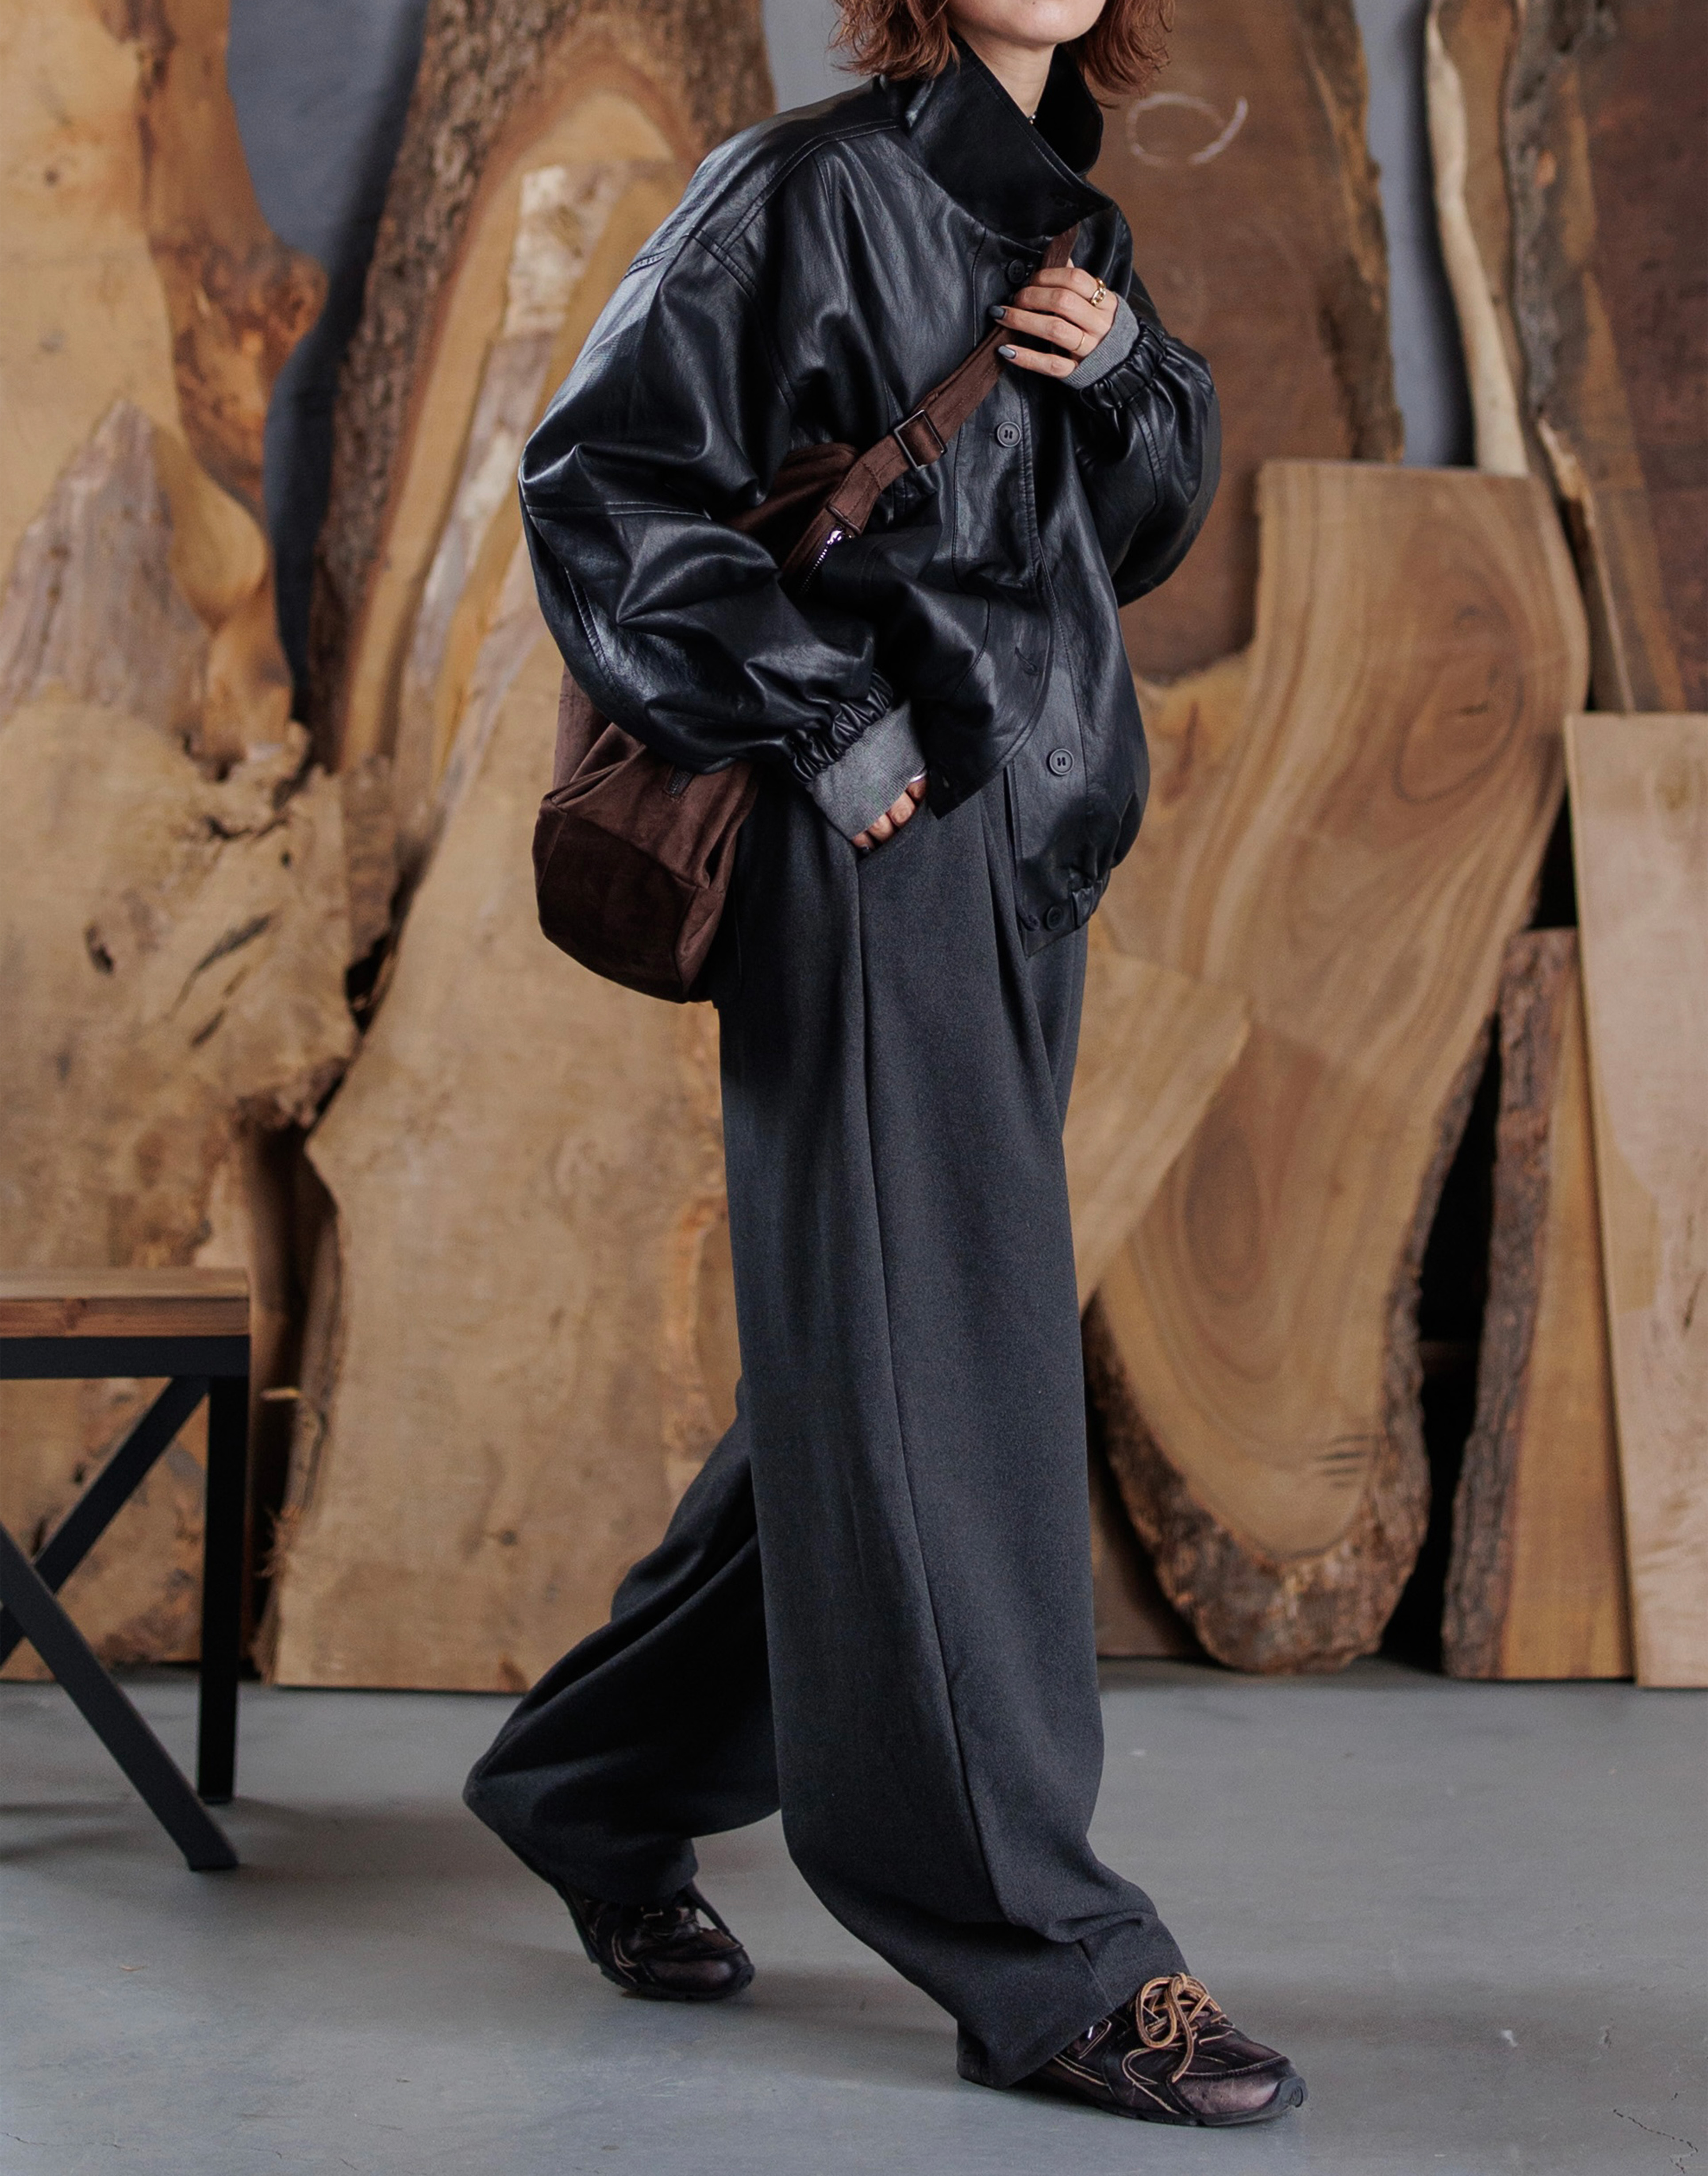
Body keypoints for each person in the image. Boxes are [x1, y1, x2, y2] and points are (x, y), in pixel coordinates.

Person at [465, 0, 1306, 2130]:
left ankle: (588, 1782)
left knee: (894, 1355)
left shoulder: (1068, 230)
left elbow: (1109, 543)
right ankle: (1048, 1957)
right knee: (945, 1367)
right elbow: (597, 479)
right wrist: (826, 724)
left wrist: (1130, 384)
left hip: (1021, 853)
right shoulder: (803, 185)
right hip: (873, 849)